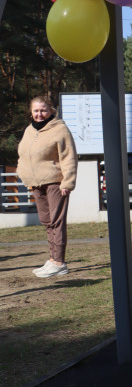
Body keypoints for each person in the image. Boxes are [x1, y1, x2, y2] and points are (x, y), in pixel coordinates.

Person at [17, 96, 78, 278]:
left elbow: (69, 157)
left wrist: (67, 182)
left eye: (43, 110)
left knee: (57, 221)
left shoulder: (60, 129)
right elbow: (23, 154)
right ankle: (52, 259)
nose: (39, 114)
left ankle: (59, 262)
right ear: (31, 112)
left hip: (55, 181)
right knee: (47, 221)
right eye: (36, 110)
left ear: (51, 110)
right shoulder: (29, 130)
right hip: (36, 183)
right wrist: (23, 173)